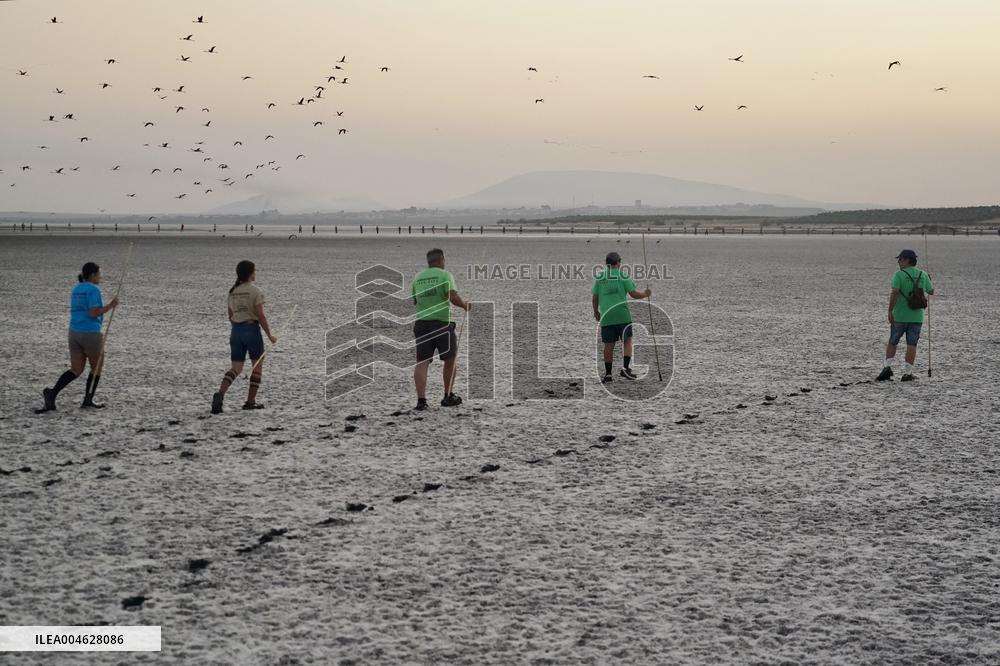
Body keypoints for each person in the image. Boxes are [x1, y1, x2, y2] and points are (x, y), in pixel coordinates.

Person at [40, 262, 119, 411]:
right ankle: (88, 400)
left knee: (76, 369)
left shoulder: (76, 289)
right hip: (90, 333)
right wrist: (111, 305)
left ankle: (52, 393)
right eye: (99, 274)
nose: (100, 277)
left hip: (74, 333)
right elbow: (93, 312)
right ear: (93, 275)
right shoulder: (93, 289)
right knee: (96, 367)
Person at [211, 260, 276, 413]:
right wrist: (270, 336)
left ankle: (220, 394)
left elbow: (230, 315)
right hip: (251, 330)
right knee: (257, 366)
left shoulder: (232, 292)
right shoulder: (255, 291)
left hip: (236, 331)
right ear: (250, 273)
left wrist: (237, 327)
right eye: (254, 270)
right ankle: (250, 401)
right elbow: (261, 316)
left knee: (236, 368)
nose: (256, 273)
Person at [412, 248, 470, 410]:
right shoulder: (445, 275)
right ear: (441, 260)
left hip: (422, 323)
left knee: (422, 362)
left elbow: (415, 301)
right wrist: (465, 305)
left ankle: (421, 401)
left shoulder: (418, 277)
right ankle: (447, 396)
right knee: (450, 359)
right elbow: (452, 298)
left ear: (428, 262)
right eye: (444, 261)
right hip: (442, 324)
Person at [592, 252, 651, 383]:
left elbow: (595, 298)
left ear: (607, 264)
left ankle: (608, 375)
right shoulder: (623, 275)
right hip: (622, 315)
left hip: (607, 316)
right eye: (620, 262)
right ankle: (625, 369)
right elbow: (634, 294)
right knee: (628, 340)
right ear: (618, 262)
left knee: (608, 345)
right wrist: (645, 294)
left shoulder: (600, 277)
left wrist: (596, 312)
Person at [877, 249, 934, 382]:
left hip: (900, 316)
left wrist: (890, 311)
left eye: (900, 259)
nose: (898, 262)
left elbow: (895, 292)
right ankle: (908, 373)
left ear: (907, 260)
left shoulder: (899, 275)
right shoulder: (923, 274)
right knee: (912, 344)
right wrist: (928, 279)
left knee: (893, 341)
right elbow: (931, 291)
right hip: (917, 317)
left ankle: (887, 368)